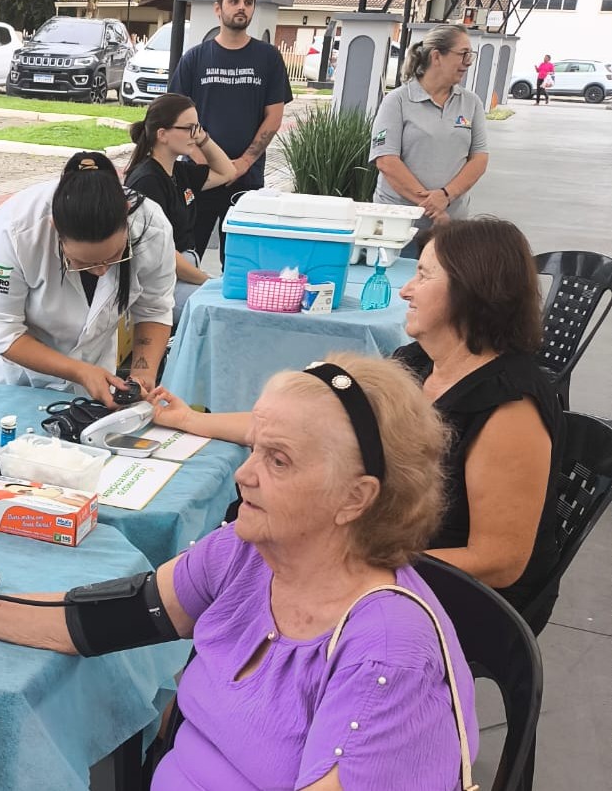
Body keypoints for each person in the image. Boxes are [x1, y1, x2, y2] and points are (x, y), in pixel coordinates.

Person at [0, 354, 478, 790]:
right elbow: (99, 617)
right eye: (253, 447)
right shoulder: (248, 555)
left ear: (355, 499)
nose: (243, 474)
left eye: (278, 461)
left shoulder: (387, 655)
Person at [150, 219, 561, 633]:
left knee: (258, 576)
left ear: (472, 289)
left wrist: (346, 565)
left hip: (458, 595)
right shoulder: (416, 362)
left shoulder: (510, 407)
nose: (405, 290)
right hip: (385, 551)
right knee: (248, 544)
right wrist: (189, 420)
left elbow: (501, 562)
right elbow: (307, 431)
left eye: (423, 274)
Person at [0, 151, 176, 407]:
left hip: (90, 373)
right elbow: (3, 330)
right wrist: (80, 371)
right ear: (55, 227)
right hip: (8, 377)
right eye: (84, 263)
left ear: (126, 214)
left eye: (114, 257)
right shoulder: (14, 229)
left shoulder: (152, 228)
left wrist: (142, 374)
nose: (101, 271)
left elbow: (154, 309)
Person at [168, 0, 293, 265]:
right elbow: (177, 116)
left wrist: (242, 164)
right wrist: (204, 161)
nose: (242, 7)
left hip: (246, 178)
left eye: (248, 2)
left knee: (239, 263)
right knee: (189, 256)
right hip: (200, 176)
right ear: (218, 8)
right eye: (234, 0)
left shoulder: (268, 58)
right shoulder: (195, 59)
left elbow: (273, 118)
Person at [369, 24, 488, 244]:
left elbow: (479, 159)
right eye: (463, 54)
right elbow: (386, 160)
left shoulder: (471, 103)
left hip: (451, 228)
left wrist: (446, 195)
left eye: (469, 55)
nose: (467, 63)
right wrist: (433, 206)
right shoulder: (397, 101)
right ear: (437, 56)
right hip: (398, 226)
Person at [124, 93, 236, 321]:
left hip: (183, 273)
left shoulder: (179, 172)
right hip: (160, 283)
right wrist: (207, 281)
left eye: (198, 127)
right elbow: (162, 254)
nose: (194, 135)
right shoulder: (147, 181)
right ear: (162, 134)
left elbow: (228, 172)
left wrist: (204, 140)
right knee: (223, 310)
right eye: (189, 128)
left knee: (231, 299)